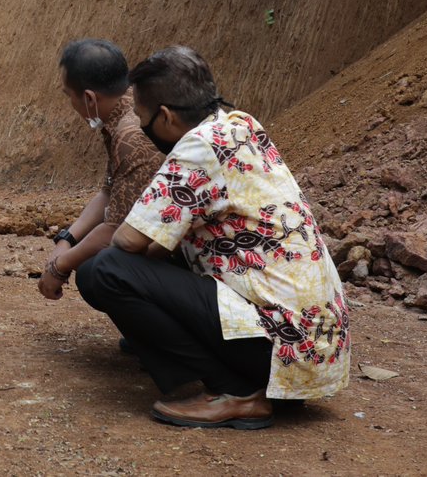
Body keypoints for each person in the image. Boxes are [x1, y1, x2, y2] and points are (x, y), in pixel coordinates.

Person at [73, 45, 350, 429]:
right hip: (313, 349)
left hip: (277, 346)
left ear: (166, 116)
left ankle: (235, 391)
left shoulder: (197, 147)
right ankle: (245, 383)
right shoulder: (240, 124)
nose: (140, 127)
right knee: (150, 260)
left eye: (141, 118)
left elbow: (127, 242)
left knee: (103, 270)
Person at [38, 39, 160, 302]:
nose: (71, 104)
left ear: (90, 98)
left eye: (69, 95)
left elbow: (115, 230)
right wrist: (67, 239)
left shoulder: (130, 134)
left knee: (96, 269)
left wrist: (59, 266)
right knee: (86, 253)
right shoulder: (125, 112)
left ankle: (169, 339)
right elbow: (108, 191)